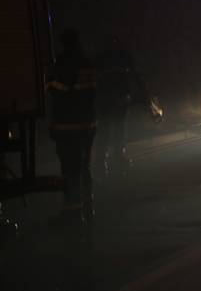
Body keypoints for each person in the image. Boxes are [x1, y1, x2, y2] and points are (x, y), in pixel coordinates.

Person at [47, 29, 97, 225]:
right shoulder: (88, 63)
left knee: (70, 170)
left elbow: (56, 89)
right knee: (84, 167)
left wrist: (49, 81)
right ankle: (87, 206)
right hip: (88, 125)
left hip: (68, 126)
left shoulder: (64, 63)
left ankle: (72, 213)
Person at [96, 36, 142, 175]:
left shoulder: (101, 58)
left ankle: (102, 161)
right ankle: (116, 158)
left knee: (106, 129)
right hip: (118, 99)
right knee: (118, 128)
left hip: (106, 99)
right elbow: (134, 75)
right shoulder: (123, 57)